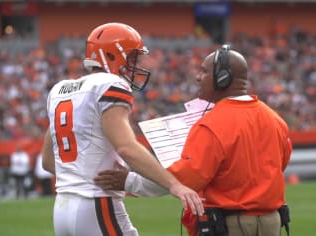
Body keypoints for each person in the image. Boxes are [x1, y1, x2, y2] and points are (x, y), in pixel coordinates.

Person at [94, 45, 293, 236]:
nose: (198, 78)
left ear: (222, 79)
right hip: (271, 223)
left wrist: (128, 181)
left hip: (232, 225)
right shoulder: (275, 119)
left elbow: (182, 179)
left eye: (204, 72)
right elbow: (279, 164)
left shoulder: (212, 124)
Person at [41, 22, 203, 236]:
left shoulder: (60, 90)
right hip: (96, 205)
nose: (135, 65)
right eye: (132, 57)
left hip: (62, 208)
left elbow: (47, 161)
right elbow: (126, 147)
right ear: (110, 55)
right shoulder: (110, 84)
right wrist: (174, 185)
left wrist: (83, 176)